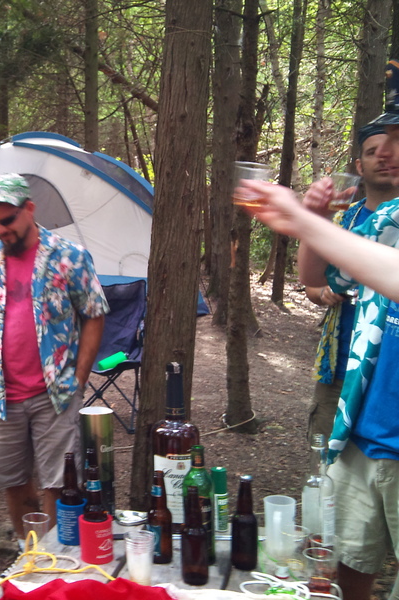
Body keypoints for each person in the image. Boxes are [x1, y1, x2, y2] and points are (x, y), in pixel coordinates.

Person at [240, 62, 399, 600]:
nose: (387, 151)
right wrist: (312, 221)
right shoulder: (372, 220)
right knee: (347, 556)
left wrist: (304, 220)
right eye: (379, 142)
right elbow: (318, 280)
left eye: (398, 139)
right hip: (361, 416)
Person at [0, 173, 108, 546]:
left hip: (54, 391)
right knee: (11, 478)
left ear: (30, 209)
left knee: (58, 480)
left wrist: (79, 376)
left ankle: (53, 557)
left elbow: (94, 314)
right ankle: (29, 553)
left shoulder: (69, 257)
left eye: (7, 221)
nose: (1, 230)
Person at [304, 123, 399, 442]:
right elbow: (312, 282)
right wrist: (324, 293)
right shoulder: (343, 217)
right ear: (359, 166)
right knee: (324, 457)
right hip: (340, 367)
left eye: (392, 149)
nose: (384, 157)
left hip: (389, 375)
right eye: (373, 152)